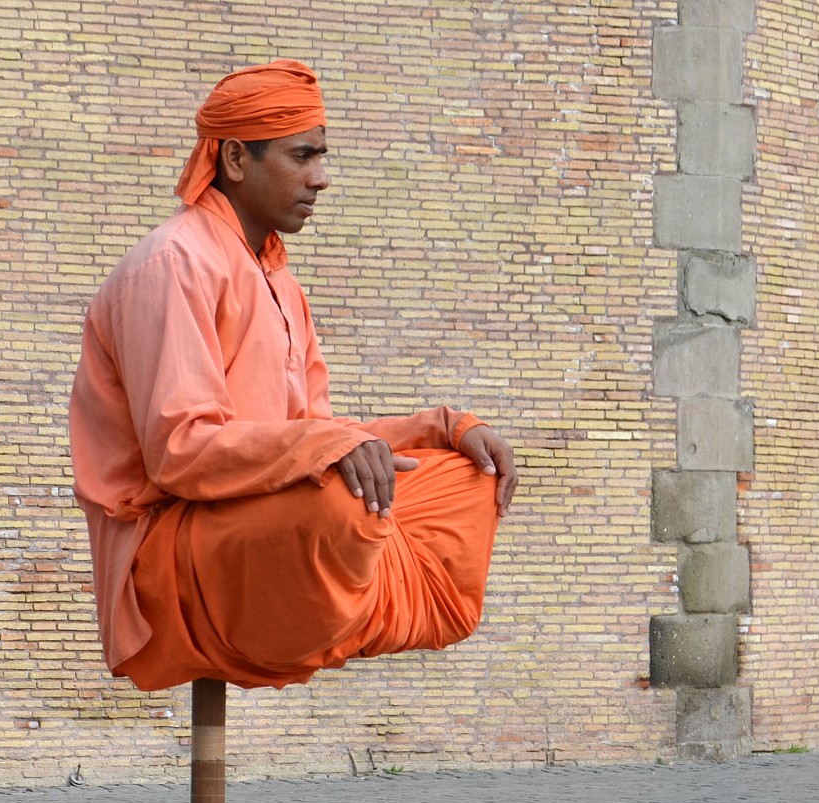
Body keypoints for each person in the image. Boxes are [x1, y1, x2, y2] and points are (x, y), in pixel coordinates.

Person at [69, 61, 516, 691]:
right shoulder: (174, 264)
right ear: (233, 159)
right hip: (172, 541)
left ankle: (341, 598)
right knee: (345, 503)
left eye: (322, 157)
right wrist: (328, 449)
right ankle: (331, 604)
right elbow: (180, 453)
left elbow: (315, 432)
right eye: (303, 156)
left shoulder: (278, 278)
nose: (322, 179)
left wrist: (439, 427)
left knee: (464, 473)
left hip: (260, 511)